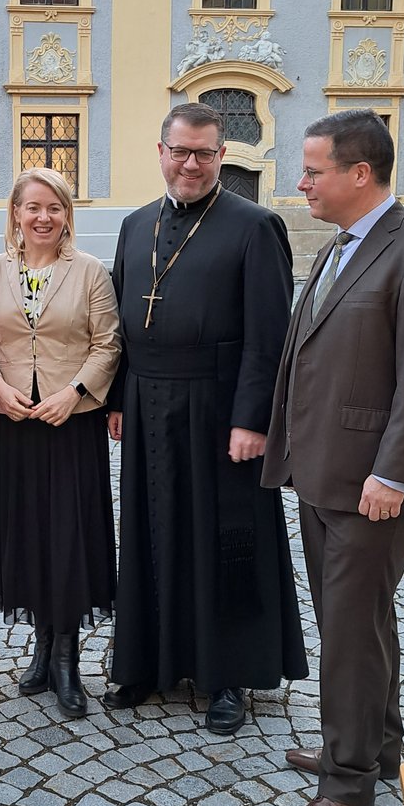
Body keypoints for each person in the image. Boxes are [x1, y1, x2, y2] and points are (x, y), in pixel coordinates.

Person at [262, 109, 404, 806]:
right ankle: (375, 745)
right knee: (361, 623)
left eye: (313, 170)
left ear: (359, 173)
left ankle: (346, 785)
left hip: (373, 488)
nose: (302, 182)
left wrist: (394, 474)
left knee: (348, 633)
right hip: (325, 475)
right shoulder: (343, 245)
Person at [105, 101, 307, 733]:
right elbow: (118, 325)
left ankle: (228, 675)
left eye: (204, 154)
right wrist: (116, 399)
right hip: (145, 403)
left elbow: (267, 335)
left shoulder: (254, 226)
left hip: (219, 410)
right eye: (179, 151)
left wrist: (252, 419)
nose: (189, 164)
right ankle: (146, 661)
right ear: (161, 151)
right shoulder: (136, 225)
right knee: (150, 531)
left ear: (222, 157)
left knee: (224, 539)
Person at [0, 167, 121, 718]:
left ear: (66, 215)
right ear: (15, 214)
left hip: (70, 425)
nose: (43, 217)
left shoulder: (90, 273)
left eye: (53, 208)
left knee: (68, 535)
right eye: (32, 207)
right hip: (14, 421)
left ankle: (66, 657)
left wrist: (75, 393)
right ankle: (39, 643)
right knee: (27, 532)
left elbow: (108, 344)